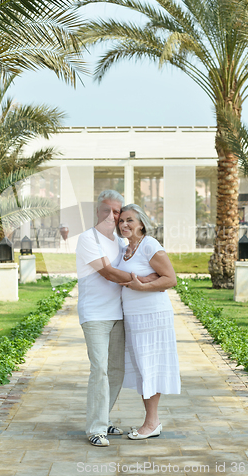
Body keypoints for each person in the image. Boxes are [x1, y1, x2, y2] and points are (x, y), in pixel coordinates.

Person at [75, 190, 159, 447]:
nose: (112, 216)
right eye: (106, 211)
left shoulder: (121, 243)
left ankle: (102, 418)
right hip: (95, 315)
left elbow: (143, 260)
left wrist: (155, 274)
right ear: (97, 212)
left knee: (116, 371)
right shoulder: (88, 239)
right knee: (99, 369)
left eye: (116, 212)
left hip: (119, 314)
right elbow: (109, 273)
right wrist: (146, 280)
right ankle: (96, 428)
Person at [116, 204, 181, 440]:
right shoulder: (124, 249)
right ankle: (151, 421)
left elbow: (170, 279)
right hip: (134, 317)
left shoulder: (150, 244)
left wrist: (142, 286)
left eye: (129, 220)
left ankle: (151, 422)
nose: (124, 225)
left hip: (152, 316)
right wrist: (142, 279)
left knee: (149, 367)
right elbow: (125, 277)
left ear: (141, 223)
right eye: (121, 221)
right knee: (143, 368)